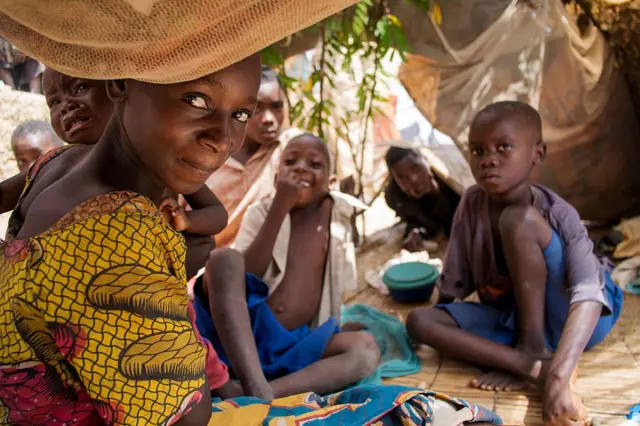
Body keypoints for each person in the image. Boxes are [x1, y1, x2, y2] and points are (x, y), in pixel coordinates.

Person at [405, 101, 624, 425]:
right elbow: (454, 280)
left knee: (517, 220)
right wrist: (443, 321)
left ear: (537, 153)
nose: (488, 159)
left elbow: (589, 293)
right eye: (477, 150)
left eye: (504, 147)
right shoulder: (471, 202)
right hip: (514, 319)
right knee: (419, 322)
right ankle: (533, 367)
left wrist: (562, 380)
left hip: (574, 319)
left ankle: (543, 356)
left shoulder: (557, 212)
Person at [193, 133, 380, 400]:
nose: (301, 167)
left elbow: (333, 284)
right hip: (241, 336)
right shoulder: (262, 210)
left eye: (315, 164)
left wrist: (334, 326)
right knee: (224, 259)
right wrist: (280, 206)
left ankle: (261, 391)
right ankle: (254, 381)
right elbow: (248, 273)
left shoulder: (337, 217)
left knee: (366, 348)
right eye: (290, 162)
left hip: (293, 343)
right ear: (276, 178)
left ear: (332, 182)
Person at [0, 68, 228, 239]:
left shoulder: (154, 160)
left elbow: (217, 213)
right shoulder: (54, 162)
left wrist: (186, 221)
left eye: (81, 88)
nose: (66, 106)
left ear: (117, 88)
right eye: (54, 101)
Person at [205, 65, 299, 247]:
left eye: (277, 106)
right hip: (208, 269)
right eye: (256, 109)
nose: (269, 118)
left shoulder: (291, 149)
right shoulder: (204, 158)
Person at [385, 146, 461, 252]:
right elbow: (412, 219)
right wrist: (416, 231)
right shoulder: (396, 196)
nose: (413, 179)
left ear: (426, 160)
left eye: (416, 168)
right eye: (402, 177)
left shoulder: (454, 182)